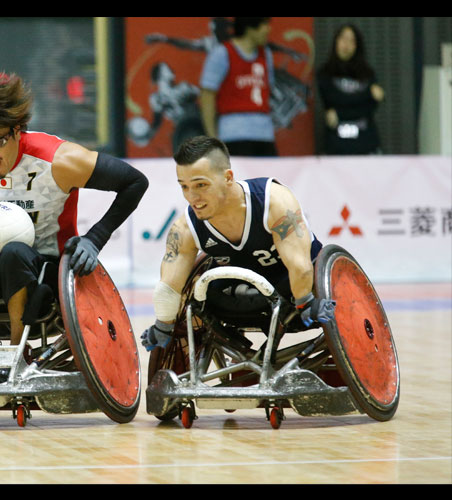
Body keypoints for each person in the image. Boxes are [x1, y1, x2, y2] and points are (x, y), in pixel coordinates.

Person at [0, 72, 148, 350]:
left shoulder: (60, 160)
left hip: (46, 271)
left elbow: (135, 182)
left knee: (15, 253)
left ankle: (17, 349)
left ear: (17, 130)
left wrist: (94, 239)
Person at [141, 136, 335, 351]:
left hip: (296, 284)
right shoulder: (185, 228)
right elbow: (168, 287)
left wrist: (305, 302)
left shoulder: (274, 201)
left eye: (201, 185)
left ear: (228, 177)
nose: (192, 197)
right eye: (184, 187)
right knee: (195, 296)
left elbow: (300, 266)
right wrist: (163, 325)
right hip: (244, 293)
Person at [198, 17, 277, 157]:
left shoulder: (266, 55)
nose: (269, 29)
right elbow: (207, 97)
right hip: (234, 134)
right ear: (250, 28)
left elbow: (268, 90)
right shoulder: (222, 54)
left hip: (265, 135)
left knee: (268, 179)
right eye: (264, 24)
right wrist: (213, 139)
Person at [317, 24, 384, 155]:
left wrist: (339, 113)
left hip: (366, 144)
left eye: (351, 41)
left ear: (357, 46)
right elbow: (332, 99)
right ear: (335, 42)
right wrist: (366, 94)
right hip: (336, 146)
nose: (346, 45)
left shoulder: (367, 73)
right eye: (343, 39)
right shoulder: (325, 73)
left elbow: (370, 107)